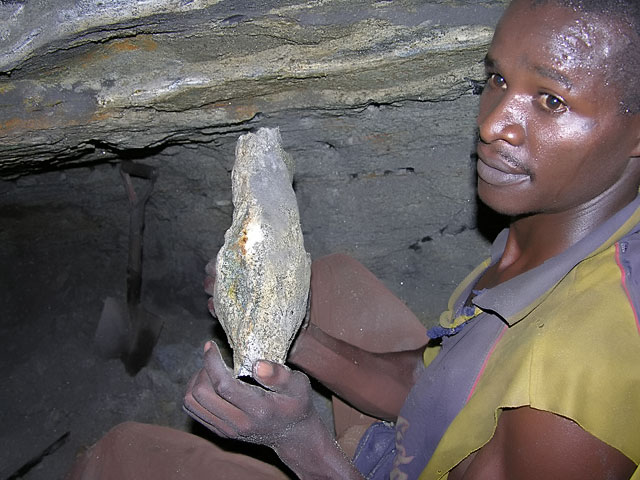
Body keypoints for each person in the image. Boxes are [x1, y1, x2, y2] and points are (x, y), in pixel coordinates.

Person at [67, 0, 640, 478]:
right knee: (329, 280)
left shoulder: (571, 394)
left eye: (551, 100)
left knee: (122, 457)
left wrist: (298, 439)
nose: (491, 123)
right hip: (430, 439)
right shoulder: (558, 228)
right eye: (497, 78)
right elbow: (441, 380)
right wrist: (293, 335)